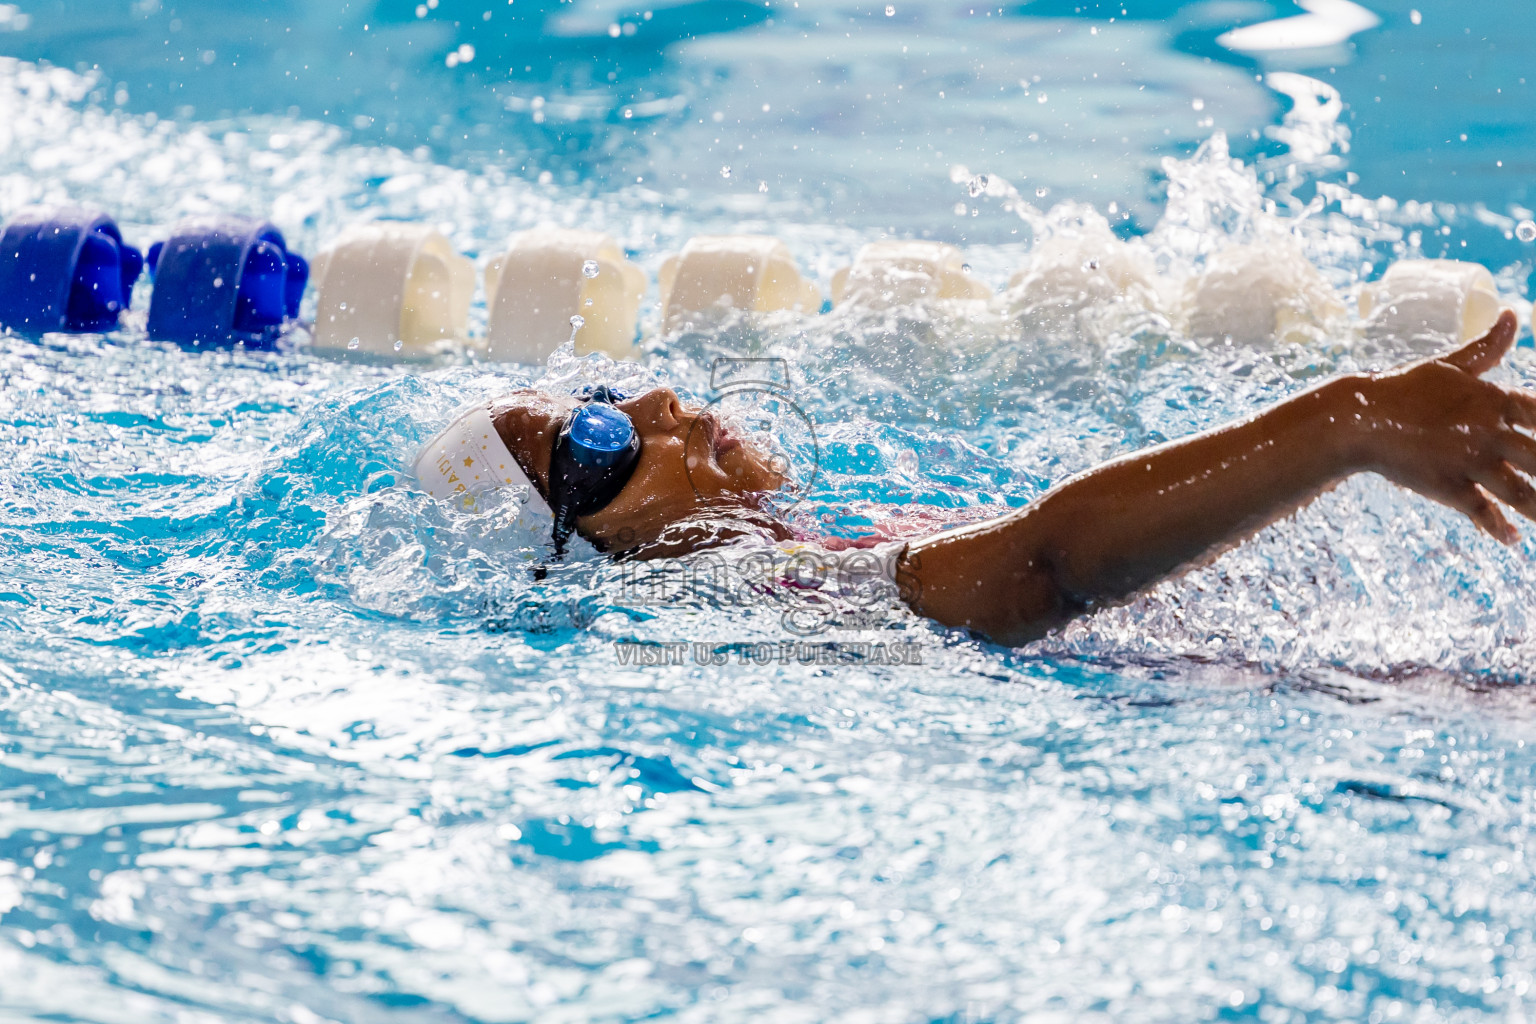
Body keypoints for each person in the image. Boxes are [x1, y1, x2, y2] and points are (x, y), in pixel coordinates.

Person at [431, 310, 1536, 646]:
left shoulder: (818, 552)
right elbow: (1043, 567)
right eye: (592, 442)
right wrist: (1347, 423)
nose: (655, 405)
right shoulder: (729, 598)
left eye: (616, 391)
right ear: (581, 551)